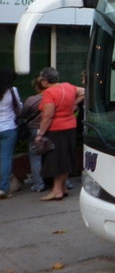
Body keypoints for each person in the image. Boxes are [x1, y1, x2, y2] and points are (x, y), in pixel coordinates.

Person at [34, 67, 85, 202]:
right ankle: (62, 188)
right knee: (66, 157)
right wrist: (74, 104)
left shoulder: (49, 93)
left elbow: (48, 115)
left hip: (56, 129)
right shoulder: (68, 86)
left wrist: (41, 133)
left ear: (45, 81)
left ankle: (56, 191)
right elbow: (84, 92)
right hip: (70, 126)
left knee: (56, 160)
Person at [19, 76, 46, 192]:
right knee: (53, 155)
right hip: (50, 129)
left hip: (34, 130)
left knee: (35, 158)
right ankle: (64, 183)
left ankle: (38, 184)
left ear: (36, 86)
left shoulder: (32, 100)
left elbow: (23, 113)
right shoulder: (54, 97)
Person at [0, 68, 23, 199]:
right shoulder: (12, 91)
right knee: (5, 158)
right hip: (8, 128)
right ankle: (3, 188)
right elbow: (19, 108)